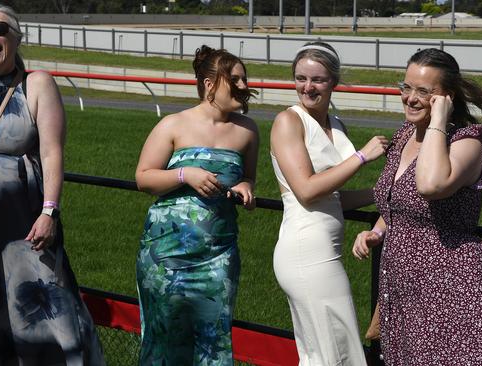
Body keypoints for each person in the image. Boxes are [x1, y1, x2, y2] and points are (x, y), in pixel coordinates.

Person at [0, 4, 104, 365]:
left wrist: (50, 210)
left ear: (17, 37)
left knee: (41, 307)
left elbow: (51, 153)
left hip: (21, 224)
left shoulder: (38, 84)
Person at [352, 48, 482, 365]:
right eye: (406, 87)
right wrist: (378, 230)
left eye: (423, 91)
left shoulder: (468, 142)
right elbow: (398, 199)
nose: (410, 98)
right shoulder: (403, 137)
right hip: (402, 283)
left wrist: (439, 119)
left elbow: (430, 185)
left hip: (450, 283)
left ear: (446, 97)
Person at [135, 44, 259, 365]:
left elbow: (249, 178)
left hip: (218, 257)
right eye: (236, 80)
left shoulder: (248, 132)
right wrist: (183, 173)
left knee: (213, 343)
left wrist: (246, 186)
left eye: (245, 79)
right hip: (166, 257)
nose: (244, 87)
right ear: (209, 85)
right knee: (162, 342)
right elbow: (144, 177)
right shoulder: (173, 125)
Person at [270, 41, 389, 365]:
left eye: (317, 80)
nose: (307, 87)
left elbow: (332, 198)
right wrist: (361, 157)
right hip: (304, 252)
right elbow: (307, 191)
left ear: (333, 81)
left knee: (323, 354)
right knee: (338, 352)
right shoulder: (288, 122)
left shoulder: (336, 125)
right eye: (300, 78)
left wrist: (381, 193)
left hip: (323, 251)